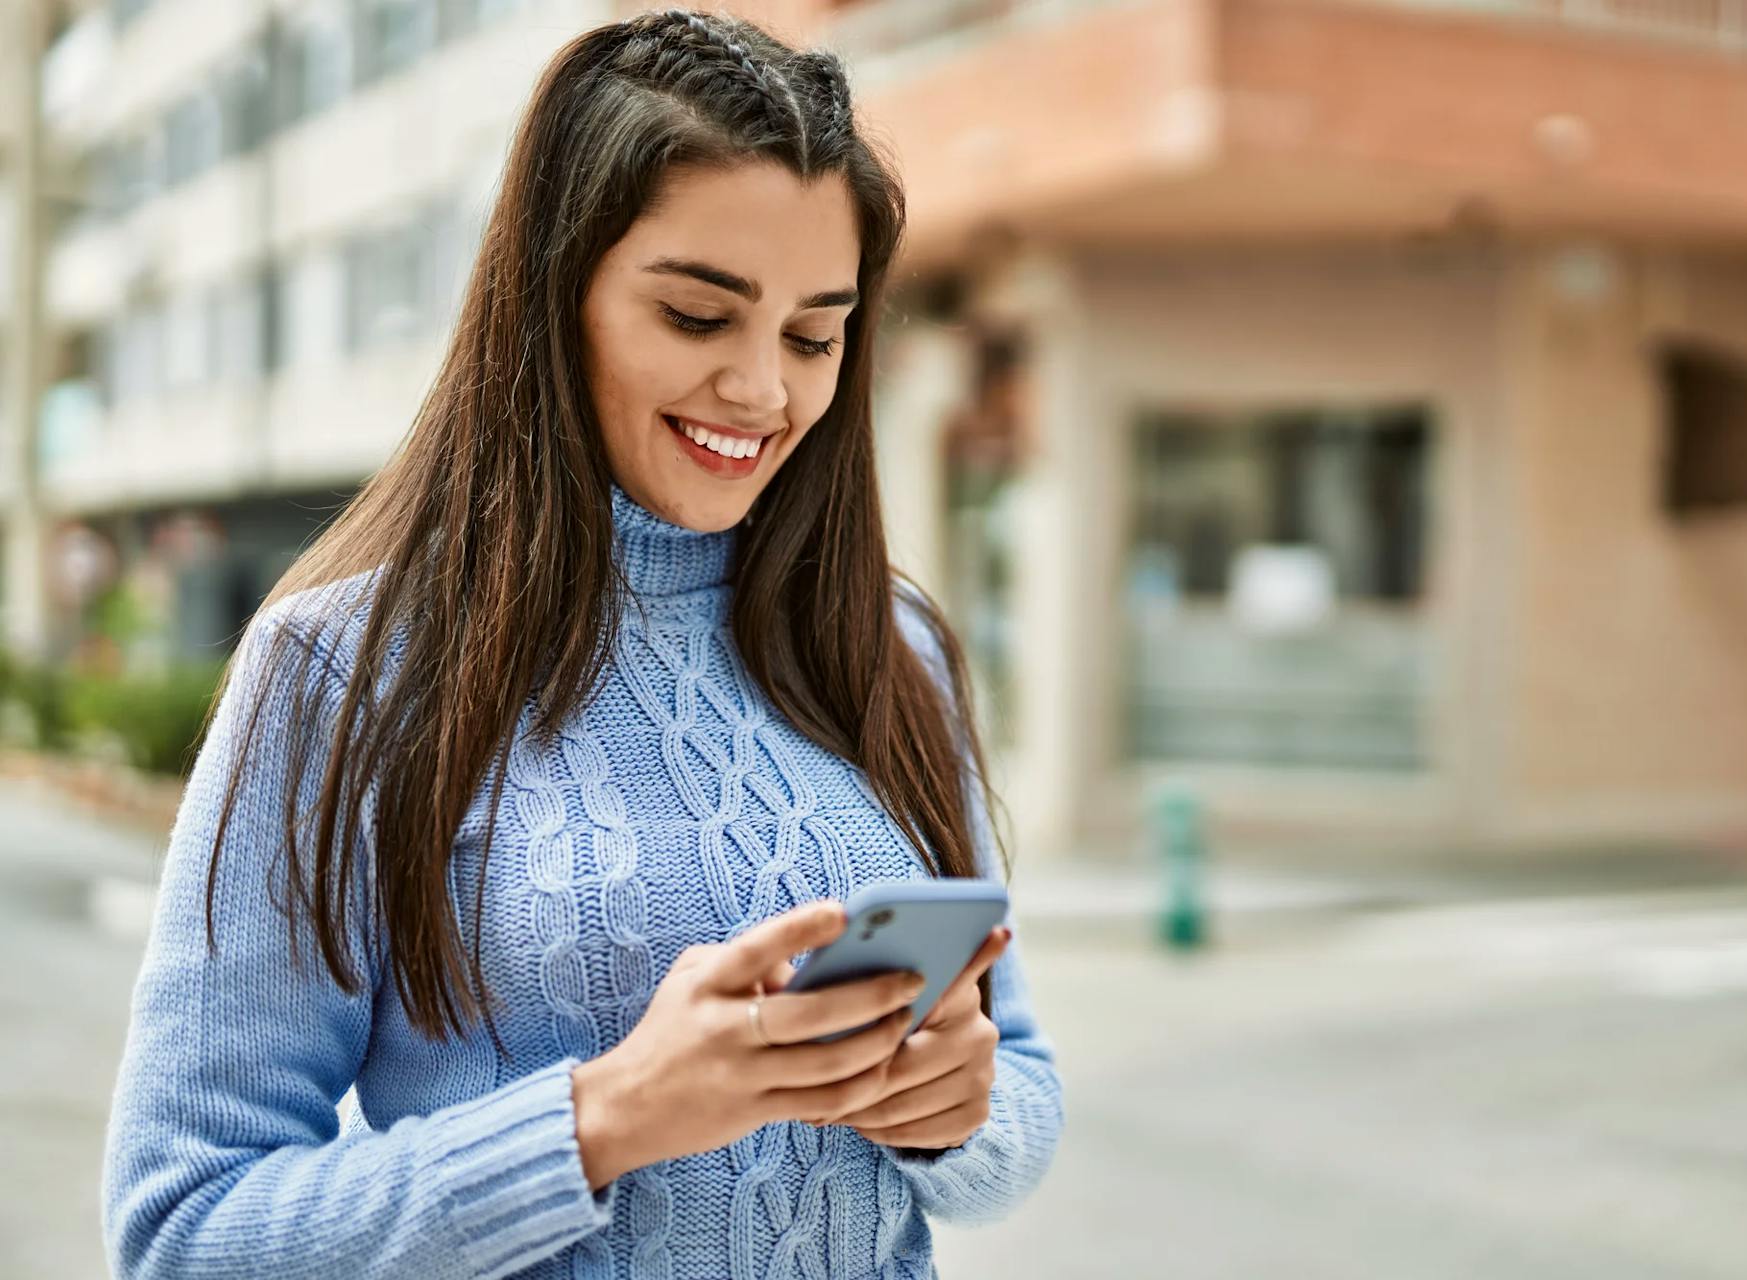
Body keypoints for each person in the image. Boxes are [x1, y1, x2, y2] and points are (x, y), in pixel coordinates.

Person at [99, 10, 1064, 1277]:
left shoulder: (893, 645)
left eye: (814, 334)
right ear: (560, 294)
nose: (765, 391)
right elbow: (184, 1227)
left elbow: (1024, 1086)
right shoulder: (339, 672)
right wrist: (605, 1119)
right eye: (698, 315)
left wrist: (958, 1110)